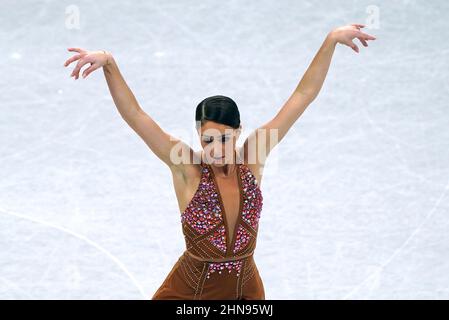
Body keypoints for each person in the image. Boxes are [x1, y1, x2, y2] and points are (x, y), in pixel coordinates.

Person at [63, 24, 376, 299]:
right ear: (199, 136)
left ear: (238, 132)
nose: (216, 148)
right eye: (207, 140)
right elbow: (136, 115)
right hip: (191, 290)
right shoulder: (186, 167)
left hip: (245, 289)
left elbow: (303, 94)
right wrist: (109, 62)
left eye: (224, 139)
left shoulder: (254, 156)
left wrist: (331, 40)